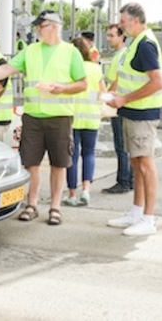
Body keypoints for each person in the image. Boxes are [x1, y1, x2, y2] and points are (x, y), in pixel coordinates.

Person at [0, 10, 87, 226]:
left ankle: (55, 207)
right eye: (37, 26)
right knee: (31, 163)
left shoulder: (70, 52)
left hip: (60, 117)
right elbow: (5, 70)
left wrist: (62, 89)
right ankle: (32, 204)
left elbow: (83, 83)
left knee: (59, 164)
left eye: (42, 26)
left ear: (54, 26)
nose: (37, 30)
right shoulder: (30, 51)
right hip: (33, 116)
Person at [106, 2, 162, 236]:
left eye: (123, 21)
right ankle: (137, 211)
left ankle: (148, 218)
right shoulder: (136, 44)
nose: (121, 25)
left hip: (143, 113)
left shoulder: (145, 44)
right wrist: (118, 97)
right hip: (133, 111)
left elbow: (157, 82)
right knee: (137, 162)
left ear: (134, 20)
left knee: (145, 163)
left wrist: (124, 99)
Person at [62, 36, 105, 207]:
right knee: (89, 153)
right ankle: (86, 190)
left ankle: (72, 194)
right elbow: (103, 93)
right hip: (92, 117)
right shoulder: (95, 69)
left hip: (72, 118)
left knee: (71, 157)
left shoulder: (69, 69)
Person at [101, 23, 133, 194]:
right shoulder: (126, 54)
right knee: (127, 144)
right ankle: (131, 179)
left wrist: (108, 99)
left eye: (112, 35)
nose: (109, 38)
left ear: (121, 37)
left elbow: (115, 81)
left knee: (121, 144)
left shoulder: (119, 56)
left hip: (118, 102)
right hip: (127, 102)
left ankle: (123, 181)